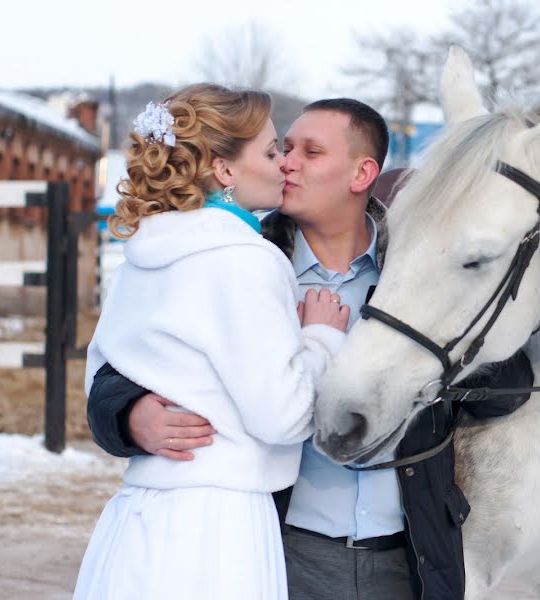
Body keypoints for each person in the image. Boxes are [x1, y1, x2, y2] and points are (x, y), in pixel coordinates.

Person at [86, 98, 534, 600]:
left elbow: (509, 386)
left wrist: (434, 363)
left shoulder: (423, 274)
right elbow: (122, 365)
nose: (288, 162)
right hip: (279, 547)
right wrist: (127, 415)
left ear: (362, 172)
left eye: (310, 151)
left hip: (410, 553)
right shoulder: (243, 256)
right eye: (283, 148)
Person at [74, 84, 348, 600]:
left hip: (134, 516)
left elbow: (102, 375)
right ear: (223, 170)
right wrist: (321, 339)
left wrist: (132, 416)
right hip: (217, 527)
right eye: (271, 152)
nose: (284, 163)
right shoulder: (244, 260)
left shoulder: (143, 254)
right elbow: (284, 415)